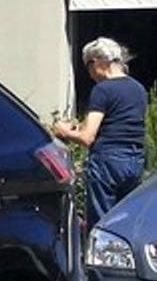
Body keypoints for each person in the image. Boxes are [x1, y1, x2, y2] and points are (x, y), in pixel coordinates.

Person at [52, 37, 147, 222]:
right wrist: (78, 127)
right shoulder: (138, 89)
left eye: (88, 66)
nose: (89, 73)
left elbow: (88, 137)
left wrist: (64, 132)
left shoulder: (102, 90)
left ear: (97, 62)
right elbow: (118, 121)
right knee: (126, 220)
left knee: (102, 222)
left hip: (107, 161)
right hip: (135, 160)